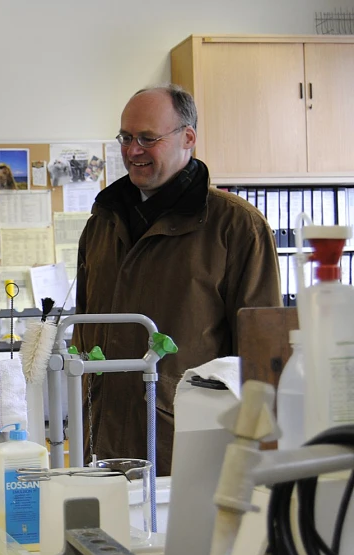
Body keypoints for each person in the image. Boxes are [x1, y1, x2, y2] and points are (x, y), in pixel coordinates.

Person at [73, 84, 281, 475]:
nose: (133, 150)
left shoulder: (235, 226)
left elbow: (261, 356)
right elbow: (85, 330)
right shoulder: (102, 223)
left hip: (188, 446)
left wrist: (256, 462)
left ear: (188, 138)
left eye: (148, 138)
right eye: (126, 137)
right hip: (100, 443)